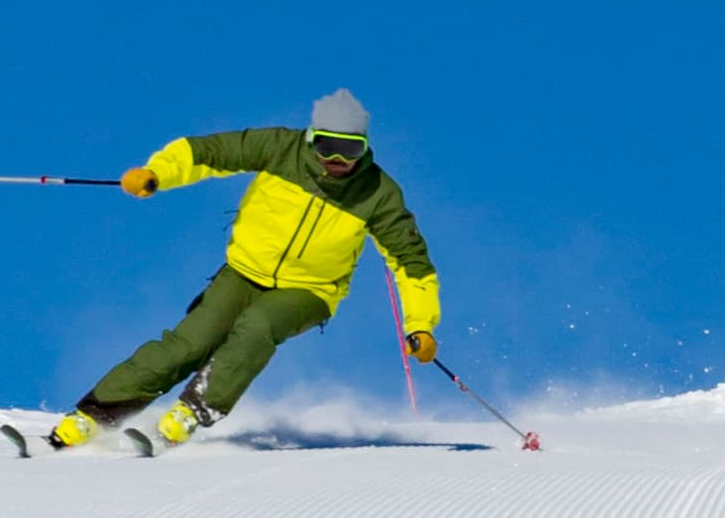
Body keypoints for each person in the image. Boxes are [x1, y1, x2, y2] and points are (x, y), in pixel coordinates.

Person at [46, 90, 442, 448]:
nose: (337, 161)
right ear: (310, 138)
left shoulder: (378, 191)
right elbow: (208, 152)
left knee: (257, 326)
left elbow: (411, 261)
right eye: (327, 147)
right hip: (242, 271)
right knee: (189, 343)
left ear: (365, 148)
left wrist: (419, 325)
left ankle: (193, 411)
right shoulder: (278, 148)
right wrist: (157, 174)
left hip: (310, 291)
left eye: (349, 150)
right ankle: (94, 416)